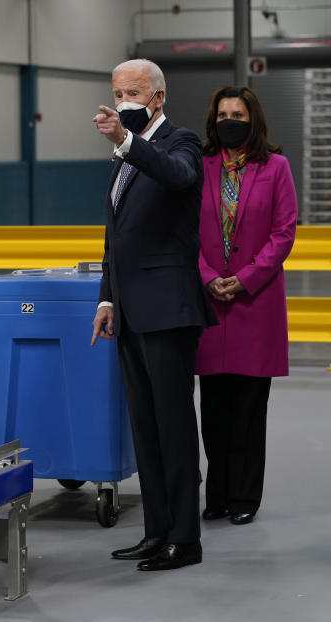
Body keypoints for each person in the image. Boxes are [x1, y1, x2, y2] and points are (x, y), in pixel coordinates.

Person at [91, 58, 216, 571]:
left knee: (174, 426)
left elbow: (178, 176)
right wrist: (106, 297)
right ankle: (156, 530)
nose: (124, 100)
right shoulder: (125, 157)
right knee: (144, 427)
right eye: (118, 91)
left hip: (168, 310)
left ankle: (185, 538)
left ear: (158, 97)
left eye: (134, 92)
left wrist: (125, 141)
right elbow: (116, 237)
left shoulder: (180, 143)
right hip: (129, 312)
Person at [196, 86, 297, 525]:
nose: (229, 121)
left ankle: (244, 499)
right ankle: (216, 495)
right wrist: (207, 276)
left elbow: (284, 232)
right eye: (222, 114)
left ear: (252, 119)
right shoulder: (199, 166)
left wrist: (247, 277)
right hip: (209, 303)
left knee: (249, 412)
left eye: (237, 114)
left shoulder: (276, 167)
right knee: (213, 410)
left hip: (255, 303)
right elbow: (182, 228)